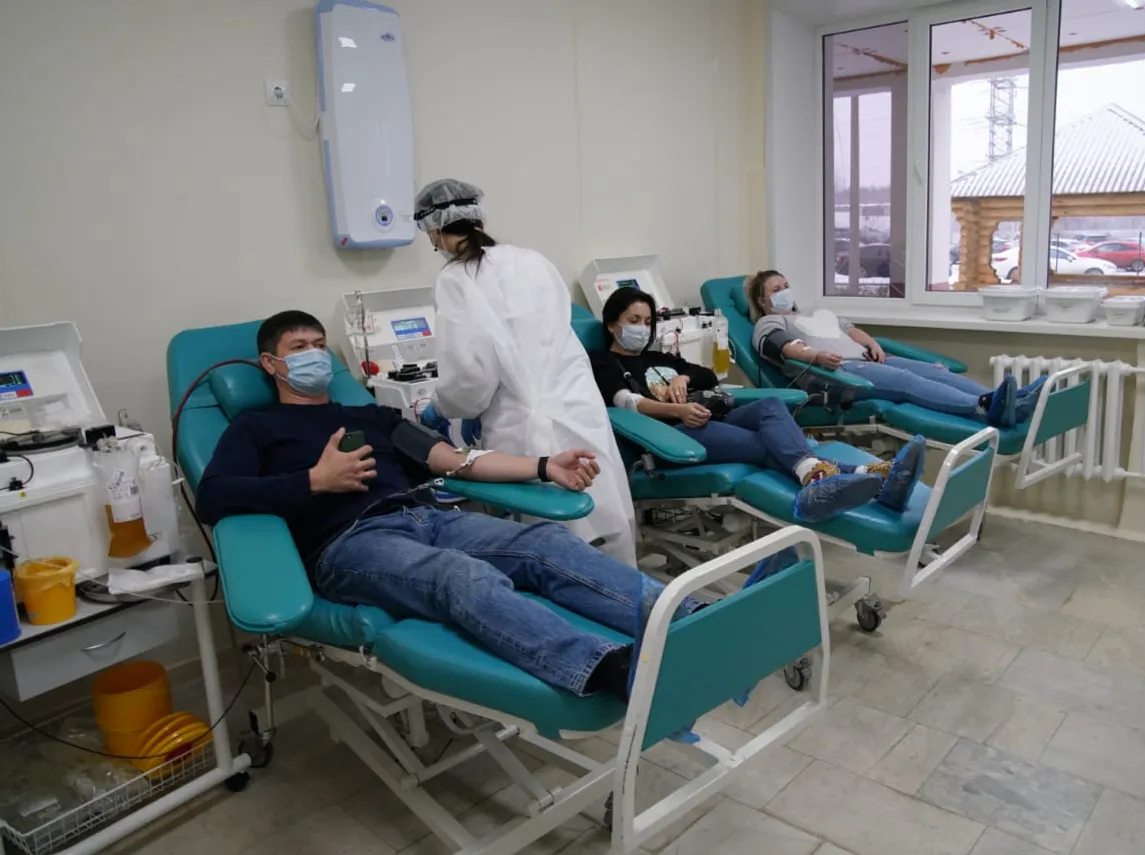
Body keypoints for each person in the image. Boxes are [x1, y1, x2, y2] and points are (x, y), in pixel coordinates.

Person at [196, 311, 688, 702]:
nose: (314, 355)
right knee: (460, 575)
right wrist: (314, 481)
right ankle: (605, 668)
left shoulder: (371, 415)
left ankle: (684, 616)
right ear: (270, 364)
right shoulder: (256, 427)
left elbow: (455, 461)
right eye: (299, 348)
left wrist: (543, 466)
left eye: (320, 345)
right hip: (348, 544)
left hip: (425, 517)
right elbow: (214, 496)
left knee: (543, 542)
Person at [413, 179, 637, 565]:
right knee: (605, 520)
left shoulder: (456, 279)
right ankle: (632, 596)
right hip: (579, 406)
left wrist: (443, 407)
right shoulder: (531, 260)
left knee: (554, 547)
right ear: (479, 219)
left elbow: (470, 378)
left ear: (434, 232)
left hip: (524, 425)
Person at [589, 288, 926, 516]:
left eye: (648, 322)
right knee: (770, 444)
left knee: (770, 406)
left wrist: (683, 378)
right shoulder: (604, 361)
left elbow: (707, 375)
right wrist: (677, 409)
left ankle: (828, 477)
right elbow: (626, 402)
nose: (642, 328)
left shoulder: (658, 356)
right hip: (673, 435)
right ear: (612, 323)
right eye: (634, 321)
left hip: (706, 418)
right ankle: (866, 477)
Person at [745, 270, 1045, 428]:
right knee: (906, 381)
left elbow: (849, 329)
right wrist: (817, 356)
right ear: (761, 300)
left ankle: (1009, 401)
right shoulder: (769, 322)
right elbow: (785, 348)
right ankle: (983, 407)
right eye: (776, 290)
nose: (784, 292)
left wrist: (871, 343)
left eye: (786, 285)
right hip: (837, 374)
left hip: (866, 360)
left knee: (933, 371)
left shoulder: (812, 312)